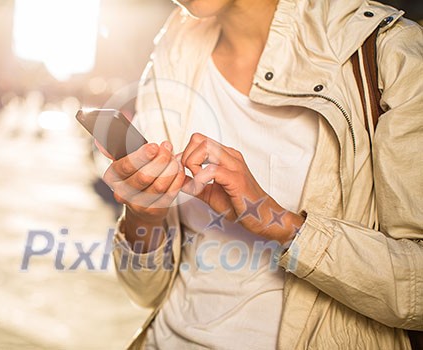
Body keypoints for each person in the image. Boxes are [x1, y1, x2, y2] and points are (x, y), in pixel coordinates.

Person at [103, 0, 423, 348]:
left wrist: (279, 223)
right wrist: (143, 214)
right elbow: (144, 293)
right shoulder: (175, 45)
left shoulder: (389, 51)